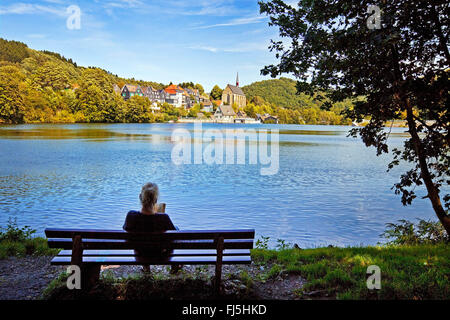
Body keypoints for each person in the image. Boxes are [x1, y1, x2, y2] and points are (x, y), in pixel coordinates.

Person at [123, 182, 181, 273]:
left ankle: (146, 267)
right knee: (175, 232)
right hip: (161, 255)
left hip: (140, 255)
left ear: (140, 197)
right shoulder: (163, 218)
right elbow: (175, 236)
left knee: (140, 242)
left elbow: (126, 231)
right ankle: (174, 266)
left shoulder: (131, 216)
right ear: (155, 200)